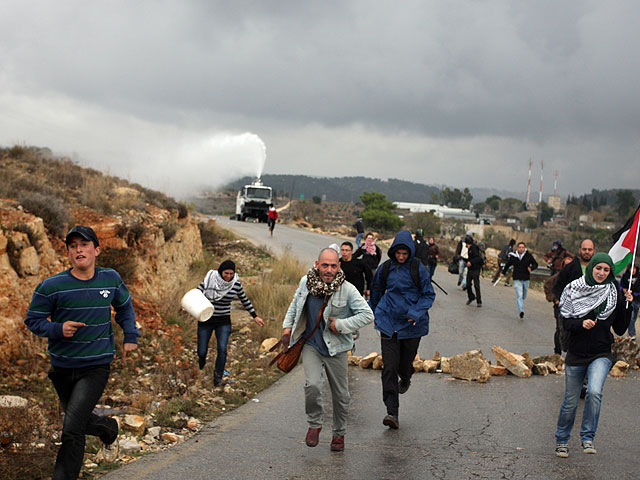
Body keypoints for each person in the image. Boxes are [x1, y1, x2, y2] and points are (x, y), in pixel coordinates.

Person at [24, 226, 139, 479]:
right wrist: (57, 328)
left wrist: (130, 336)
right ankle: (108, 428)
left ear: (96, 250)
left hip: (95, 366)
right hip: (62, 368)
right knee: (78, 422)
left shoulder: (110, 279)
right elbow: (32, 320)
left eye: (84, 244)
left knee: (71, 430)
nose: (79, 249)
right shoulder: (52, 286)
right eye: (73, 245)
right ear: (68, 252)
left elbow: (124, 308)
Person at [281, 248, 374, 452]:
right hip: (311, 344)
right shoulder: (305, 283)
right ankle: (315, 425)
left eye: (333, 265)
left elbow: (367, 315)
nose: (329, 270)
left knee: (341, 395)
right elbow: (295, 305)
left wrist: (340, 325)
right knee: (312, 385)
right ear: (317, 265)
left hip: (337, 348)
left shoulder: (347, 289)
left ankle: (339, 434)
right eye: (325, 265)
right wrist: (287, 328)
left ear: (339, 266)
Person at [554, 253, 633, 458]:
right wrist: (581, 324)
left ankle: (587, 437)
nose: (602, 273)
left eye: (606, 270)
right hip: (576, 352)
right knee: (571, 401)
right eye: (599, 268)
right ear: (592, 268)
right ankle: (562, 440)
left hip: (601, 352)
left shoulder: (613, 291)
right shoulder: (573, 289)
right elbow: (566, 322)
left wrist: (628, 304)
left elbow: (620, 328)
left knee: (594, 392)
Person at [369, 230, 436, 429]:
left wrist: (415, 313)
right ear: (393, 252)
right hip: (389, 323)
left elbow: (428, 295)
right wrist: (377, 311)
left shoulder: (418, 269)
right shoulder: (387, 268)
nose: (400, 257)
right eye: (398, 253)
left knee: (405, 364)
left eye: (404, 253)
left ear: (410, 252)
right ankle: (392, 412)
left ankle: (406, 377)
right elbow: (376, 289)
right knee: (389, 367)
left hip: (412, 325)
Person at [197, 260, 264, 385]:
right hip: (206, 320)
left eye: (231, 274)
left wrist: (255, 316)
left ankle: (218, 378)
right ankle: (201, 360)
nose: (228, 276)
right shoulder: (210, 280)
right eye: (226, 273)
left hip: (223, 321)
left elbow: (244, 300)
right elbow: (196, 293)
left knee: (222, 349)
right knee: (201, 351)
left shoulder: (235, 284)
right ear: (220, 272)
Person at [553, 239, 596, 352]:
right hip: (569, 308)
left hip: (589, 310)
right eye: (584, 249)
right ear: (580, 250)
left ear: (594, 251)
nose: (587, 252)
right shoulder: (571, 267)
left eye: (589, 249)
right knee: (562, 331)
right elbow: (558, 285)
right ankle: (558, 354)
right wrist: (558, 301)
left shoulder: (597, 270)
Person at [544, 255, 575, 353]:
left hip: (573, 307)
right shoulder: (557, 277)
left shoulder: (577, 278)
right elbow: (547, 286)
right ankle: (557, 352)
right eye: (566, 265)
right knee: (559, 328)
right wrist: (555, 299)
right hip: (560, 307)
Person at [501, 241, 538, 319]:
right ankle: (521, 310)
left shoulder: (528, 256)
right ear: (517, 248)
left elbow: (535, 264)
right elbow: (508, 265)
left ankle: (522, 301)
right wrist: (503, 273)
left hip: (526, 278)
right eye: (520, 247)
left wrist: (531, 268)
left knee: (524, 295)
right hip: (517, 278)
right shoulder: (514, 256)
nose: (521, 249)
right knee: (519, 295)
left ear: (524, 248)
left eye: (522, 247)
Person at [620, 263, 640, 337]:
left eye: (634, 268)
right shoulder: (625, 276)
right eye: (631, 269)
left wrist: (634, 294)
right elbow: (621, 285)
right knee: (631, 317)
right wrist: (623, 290)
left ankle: (629, 330)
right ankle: (632, 334)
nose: (632, 270)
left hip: (637, 299)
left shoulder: (639, 276)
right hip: (628, 299)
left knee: (634, 317)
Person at [465, 236, 483, 307]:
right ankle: (471, 297)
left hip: (476, 269)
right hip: (470, 269)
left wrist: (471, 262)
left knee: (476, 285)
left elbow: (478, 258)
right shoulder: (470, 249)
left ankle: (479, 301)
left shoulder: (474, 248)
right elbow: (470, 259)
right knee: (468, 284)